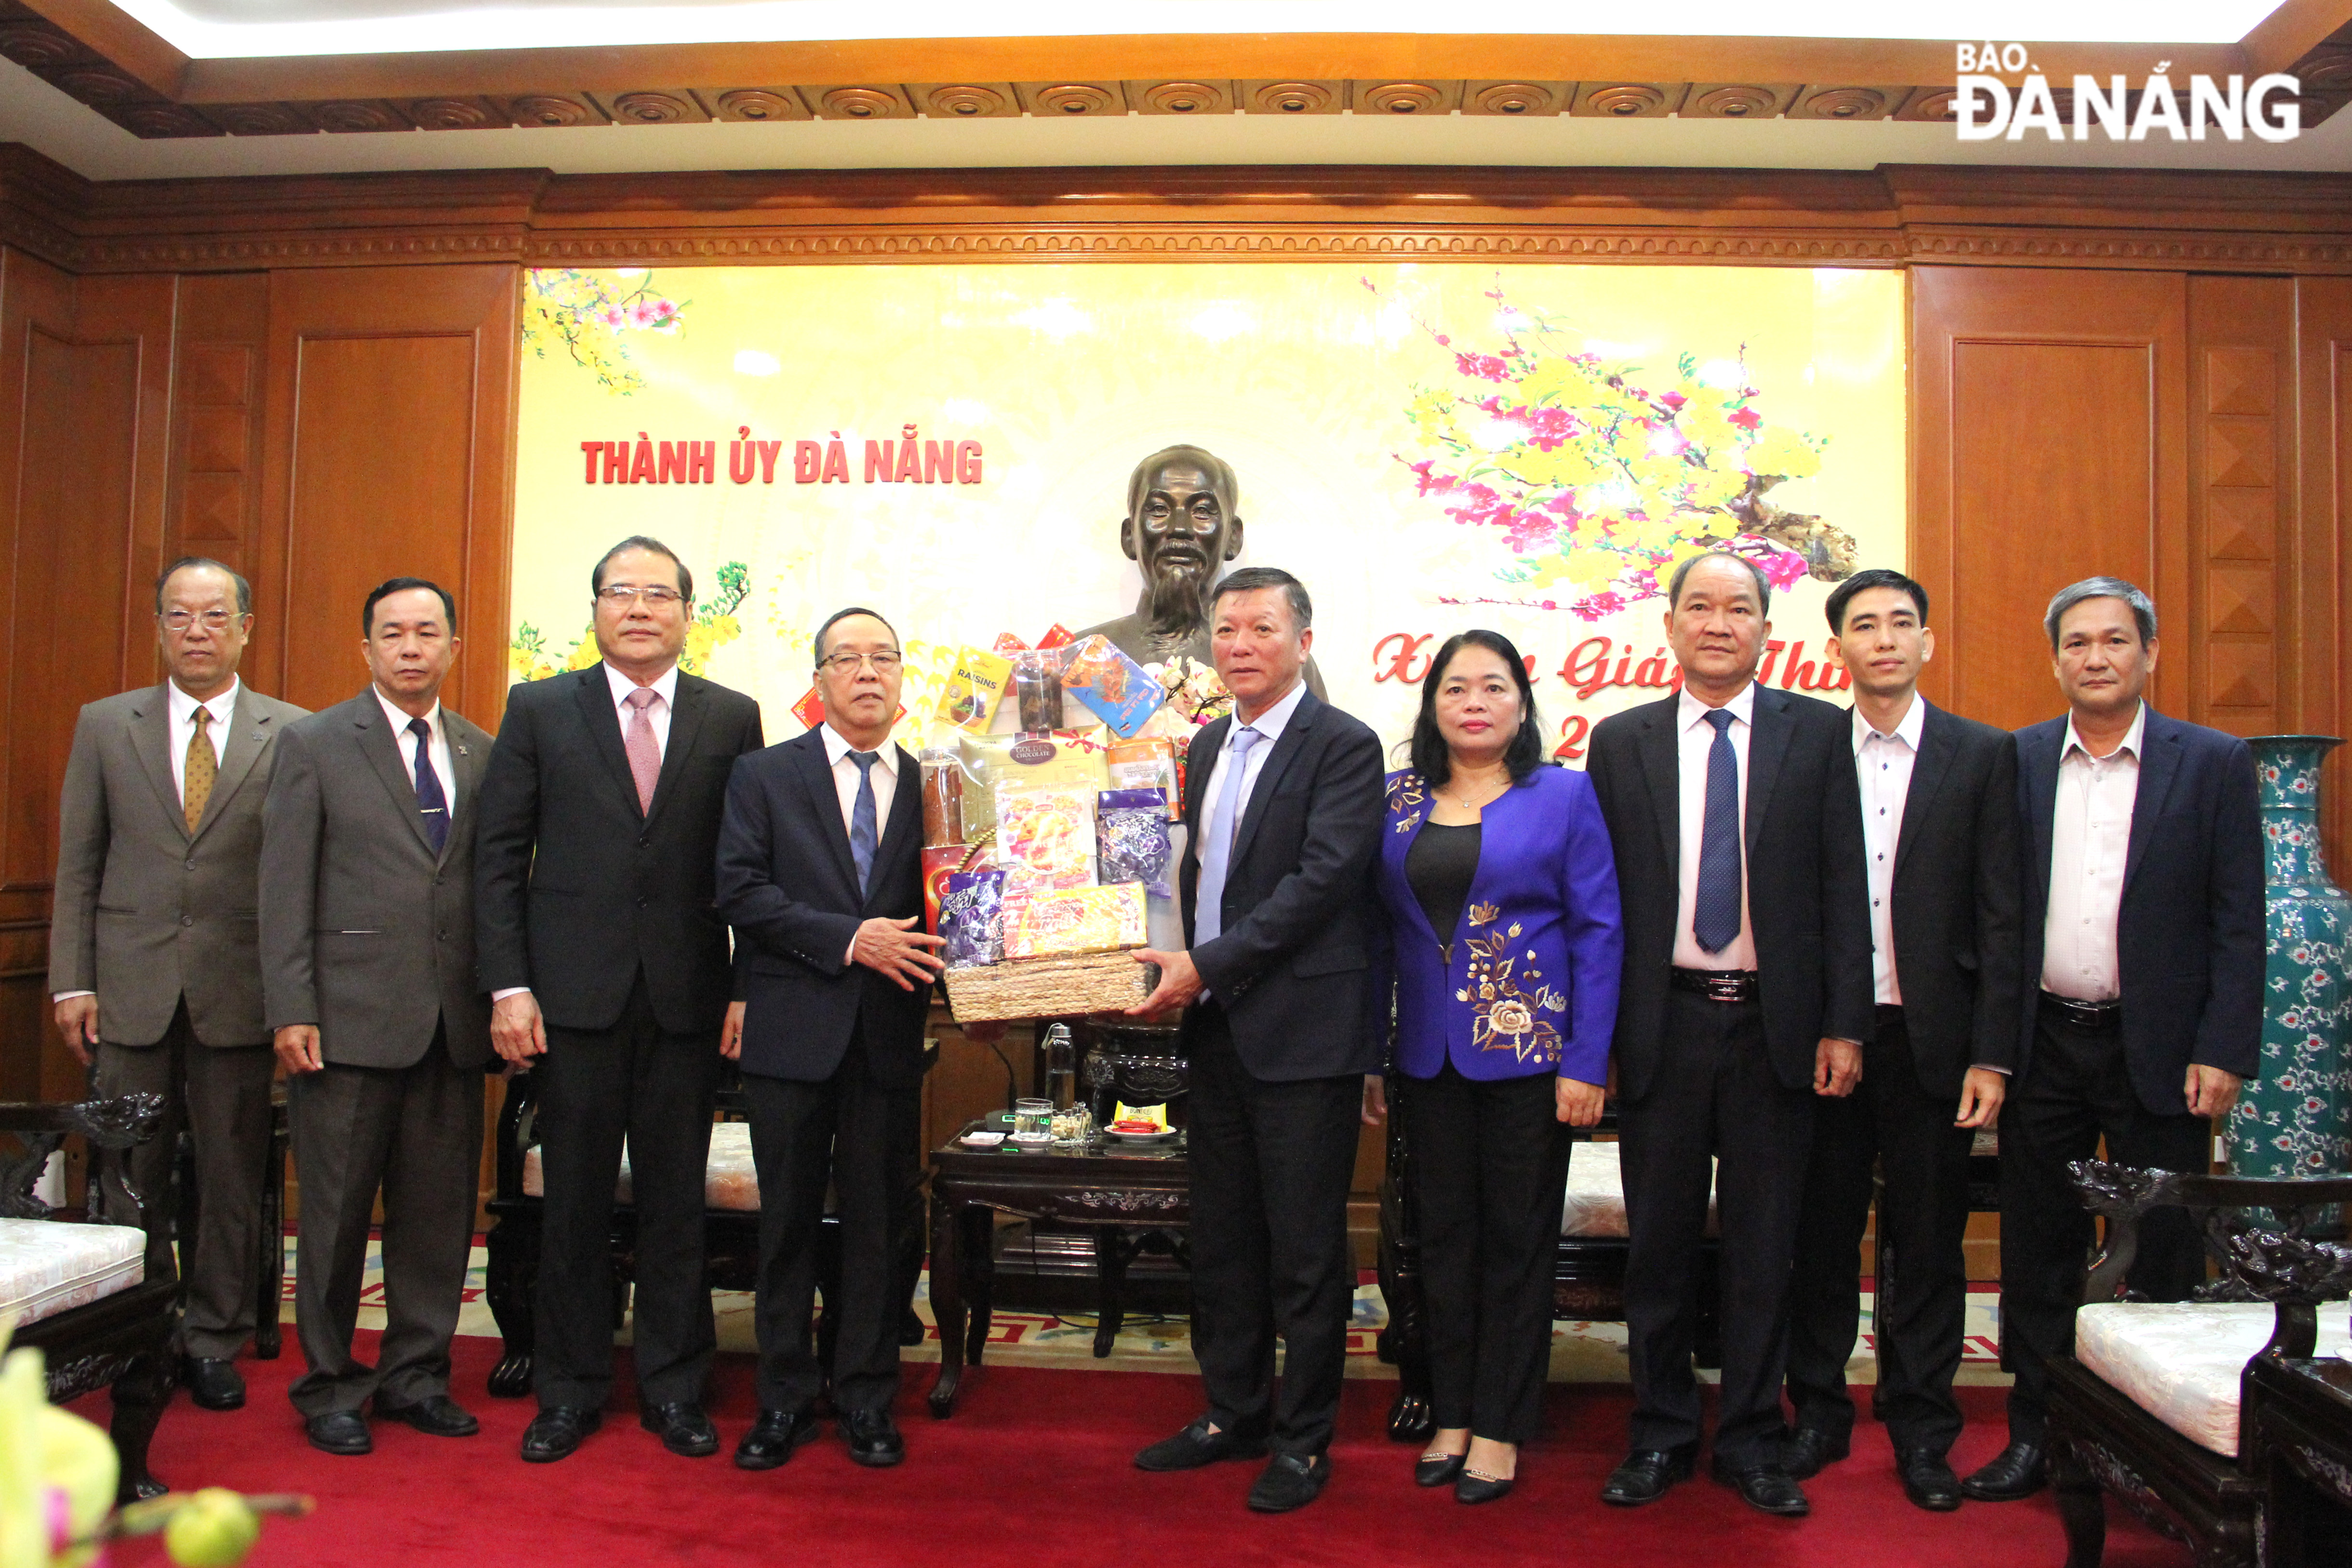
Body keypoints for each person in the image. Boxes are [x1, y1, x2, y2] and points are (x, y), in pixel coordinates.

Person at [1583, 550, 1873, 1518]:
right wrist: (1602, 1036)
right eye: (1698, 607)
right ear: (1668, 625)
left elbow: (1843, 887)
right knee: (1658, 1248)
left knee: (1764, 1249)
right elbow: (1603, 903)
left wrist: (1843, 1023)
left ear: (1764, 627)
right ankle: (1661, 1433)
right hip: (1660, 1022)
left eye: (1737, 608)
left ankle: (1751, 1437)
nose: (1717, 623)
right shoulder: (1620, 743)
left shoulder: (1817, 734)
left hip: (1773, 1029)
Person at [1963, 575, 2261, 1503]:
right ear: (2056, 660)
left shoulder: (2211, 762)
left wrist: (2224, 1047)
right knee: (2038, 1250)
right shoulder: (2015, 761)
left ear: (2150, 654)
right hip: (2045, 1040)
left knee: (2167, 1247)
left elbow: (2236, 920)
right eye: (2078, 643)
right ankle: (2037, 1435)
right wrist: (1993, 1048)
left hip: (2163, 1051)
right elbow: (1996, 916)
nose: (2096, 657)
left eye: (2114, 641)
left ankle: (2158, 1454)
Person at [473, 535, 764, 1464]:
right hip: (571, 1000)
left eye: (658, 594)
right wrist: (510, 985)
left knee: (678, 1205)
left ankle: (677, 1389)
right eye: (620, 592)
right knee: (575, 1209)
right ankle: (568, 1389)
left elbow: (751, 868)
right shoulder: (539, 708)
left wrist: (747, 987)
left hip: (688, 996)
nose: (639, 608)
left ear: (688, 612)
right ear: (594, 608)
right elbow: (498, 858)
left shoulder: (731, 716)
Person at [1125, 566, 1384, 1514]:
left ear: (1302, 641)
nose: (1238, 644)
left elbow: (1320, 885)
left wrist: (1209, 963)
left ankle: (1303, 1439)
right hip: (1218, 1027)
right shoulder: (1202, 744)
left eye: (1260, 628)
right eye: (1226, 629)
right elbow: (1184, 879)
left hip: (1303, 1031)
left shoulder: (1344, 745)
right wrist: (1146, 955)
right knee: (1225, 1239)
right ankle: (1231, 1411)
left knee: (1305, 1251)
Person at [1781, 568, 2022, 1511]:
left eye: (1901, 623)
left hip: (1938, 1043)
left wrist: (1991, 1052)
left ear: (1928, 642)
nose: (1883, 639)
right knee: (1821, 1234)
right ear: (1836, 646)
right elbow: (1797, 906)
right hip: (1827, 1042)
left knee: (1928, 1243)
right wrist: (1824, 1024)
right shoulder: (1802, 753)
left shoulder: (1981, 754)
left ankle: (1922, 1425)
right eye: (1862, 625)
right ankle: (1818, 1411)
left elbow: (2004, 914)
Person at [1363, 629, 1623, 1504]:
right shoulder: (1397, 801)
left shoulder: (1566, 796)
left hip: (1530, 1056)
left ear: (1522, 702)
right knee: (1442, 1244)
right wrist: (1372, 1052)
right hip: (1426, 1057)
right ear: (1432, 703)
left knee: (1517, 1244)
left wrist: (1587, 1059)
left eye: (1494, 685)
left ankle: (1503, 1425)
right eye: (1455, 687)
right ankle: (1452, 1412)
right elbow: (1375, 935)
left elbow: (1598, 931)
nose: (1474, 700)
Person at [48, 557, 307, 1414]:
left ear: (245, 627)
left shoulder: (292, 732)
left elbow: (299, 875)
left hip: (240, 993)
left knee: (230, 1175)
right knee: (132, 1172)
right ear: (159, 626)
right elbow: (78, 866)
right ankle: (136, 1327)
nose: (197, 630)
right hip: (128, 988)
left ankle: (212, 1334)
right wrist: (70, 982)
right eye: (179, 615)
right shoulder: (104, 724)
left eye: (213, 615)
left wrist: (293, 995)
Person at [259, 578, 494, 1456]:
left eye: (426, 632)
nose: (409, 647)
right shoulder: (315, 743)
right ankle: (329, 1383)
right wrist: (290, 1004)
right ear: (366, 649)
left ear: (452, 648)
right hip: (344, 1021)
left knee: (436, 1217)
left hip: (452, 1024)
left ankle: (416, 1374)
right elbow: (281, 885)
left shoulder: (481, 750)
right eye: (391, 633)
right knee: (334, 1214)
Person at [714, 607, 939, 1471]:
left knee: (880, 1228)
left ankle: (868, 1398)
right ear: (821, 680)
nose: (868, 672)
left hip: (887, 1037)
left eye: (884, 655)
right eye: (848, 658)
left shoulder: (936, 785)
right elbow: (738, 889)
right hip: (790, 1034)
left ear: (902, 675)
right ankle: (782, 1398)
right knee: (788, 1228)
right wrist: (852, 938)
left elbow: (959, 903)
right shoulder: (764, 776)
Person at [1073, 446, 1326, 699]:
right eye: (1159, 510)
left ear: (1233, 537)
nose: (1180, 529)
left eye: (1202, 512)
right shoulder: (1078, 660)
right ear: (1129, 536)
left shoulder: (1284, 661)